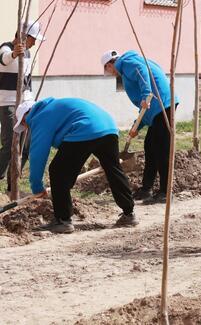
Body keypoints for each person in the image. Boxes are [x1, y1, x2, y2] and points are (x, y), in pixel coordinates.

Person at [14, 97, 137, 233]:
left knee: (58, 171)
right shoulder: (55, 107)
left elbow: (38, 153)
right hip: (108, 127)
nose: (26, 126)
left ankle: (63, 220)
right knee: (113, 169)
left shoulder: (39, 116)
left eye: (24, 122)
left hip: (84, 129)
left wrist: (36, 186)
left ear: (27, 114)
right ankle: (129, 213)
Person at [102, 50, 178, 204]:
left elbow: (141, 73)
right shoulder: (128, 65)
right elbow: (145, 107)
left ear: (110, 64)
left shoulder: (127, 63)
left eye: (108, 70)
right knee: (150, 146)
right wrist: (137, 125)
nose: (111, 74)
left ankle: (165, 192)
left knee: (162, 149)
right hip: (158, 107)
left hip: (163, 105)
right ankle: (146, 189)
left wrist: (146, 94)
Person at [0, 21, 44, 189]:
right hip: (8, 105)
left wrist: (31, 102)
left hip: (26, 105)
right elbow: (4, 59)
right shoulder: (5, 48)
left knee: (26, 146)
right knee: (10, 144)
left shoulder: (27, 54)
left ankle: (13, 184)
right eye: (33, 39)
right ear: (22, 36)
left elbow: (27, 80)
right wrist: (13, 54)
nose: (34, 42)